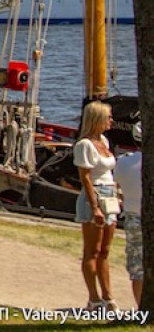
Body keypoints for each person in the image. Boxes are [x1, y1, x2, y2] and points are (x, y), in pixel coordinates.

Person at [74, 100, 119, 312]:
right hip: (95, 195)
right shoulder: (84, 145)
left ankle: (108, 295)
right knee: (92, 250)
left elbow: (109, 171)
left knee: (105, 250)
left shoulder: (104, 141)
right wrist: (95, 207)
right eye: (108, 117)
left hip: (109, 194)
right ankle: (94, 298)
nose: (111, 121)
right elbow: (85, 178)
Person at [114, 123, 143, 305]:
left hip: (133, 216)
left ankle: (142, 308)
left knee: (137, 268)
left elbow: (118, 187)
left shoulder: (123, 162)